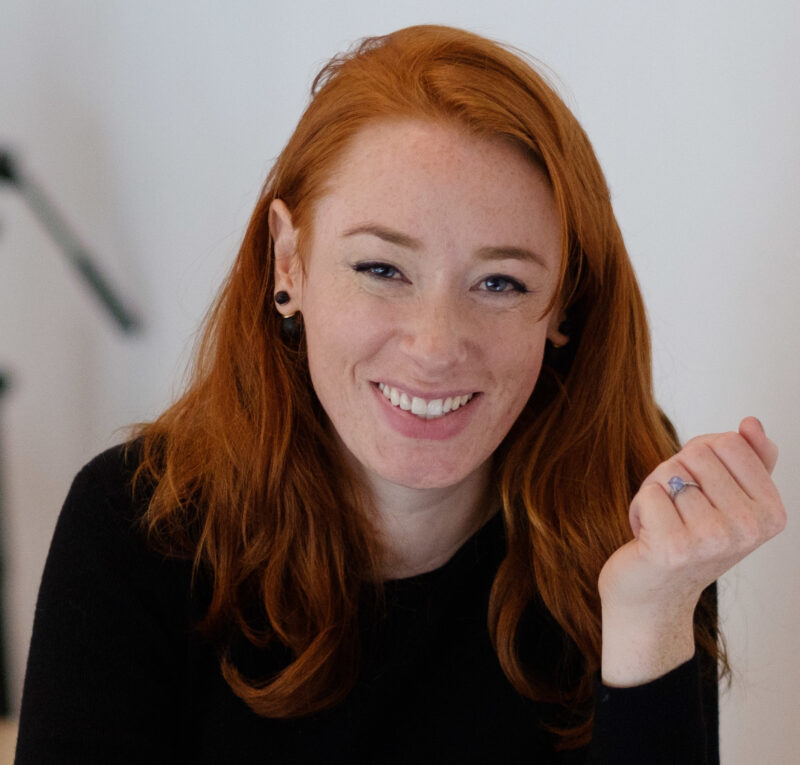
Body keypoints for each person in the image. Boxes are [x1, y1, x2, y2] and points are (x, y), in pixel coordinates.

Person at [15, 24, 786, 764]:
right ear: (289, 263)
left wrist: (652, 610)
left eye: (500, 282)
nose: (435, 345)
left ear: (564, 306)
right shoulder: (137, 527)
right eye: (382, 269)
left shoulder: (631, 519)